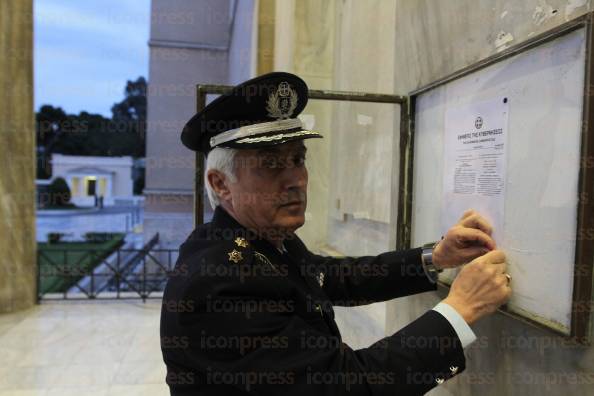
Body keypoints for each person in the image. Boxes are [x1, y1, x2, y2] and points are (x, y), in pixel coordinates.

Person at [160, 72, 511, 395]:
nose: (295, 179)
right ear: (221, 184)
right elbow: (346, 386)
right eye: (270, 164)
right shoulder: (218, 283)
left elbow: (329, 277)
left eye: (298, 159)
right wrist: (459, 310)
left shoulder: (258, 238)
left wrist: (434, 258)